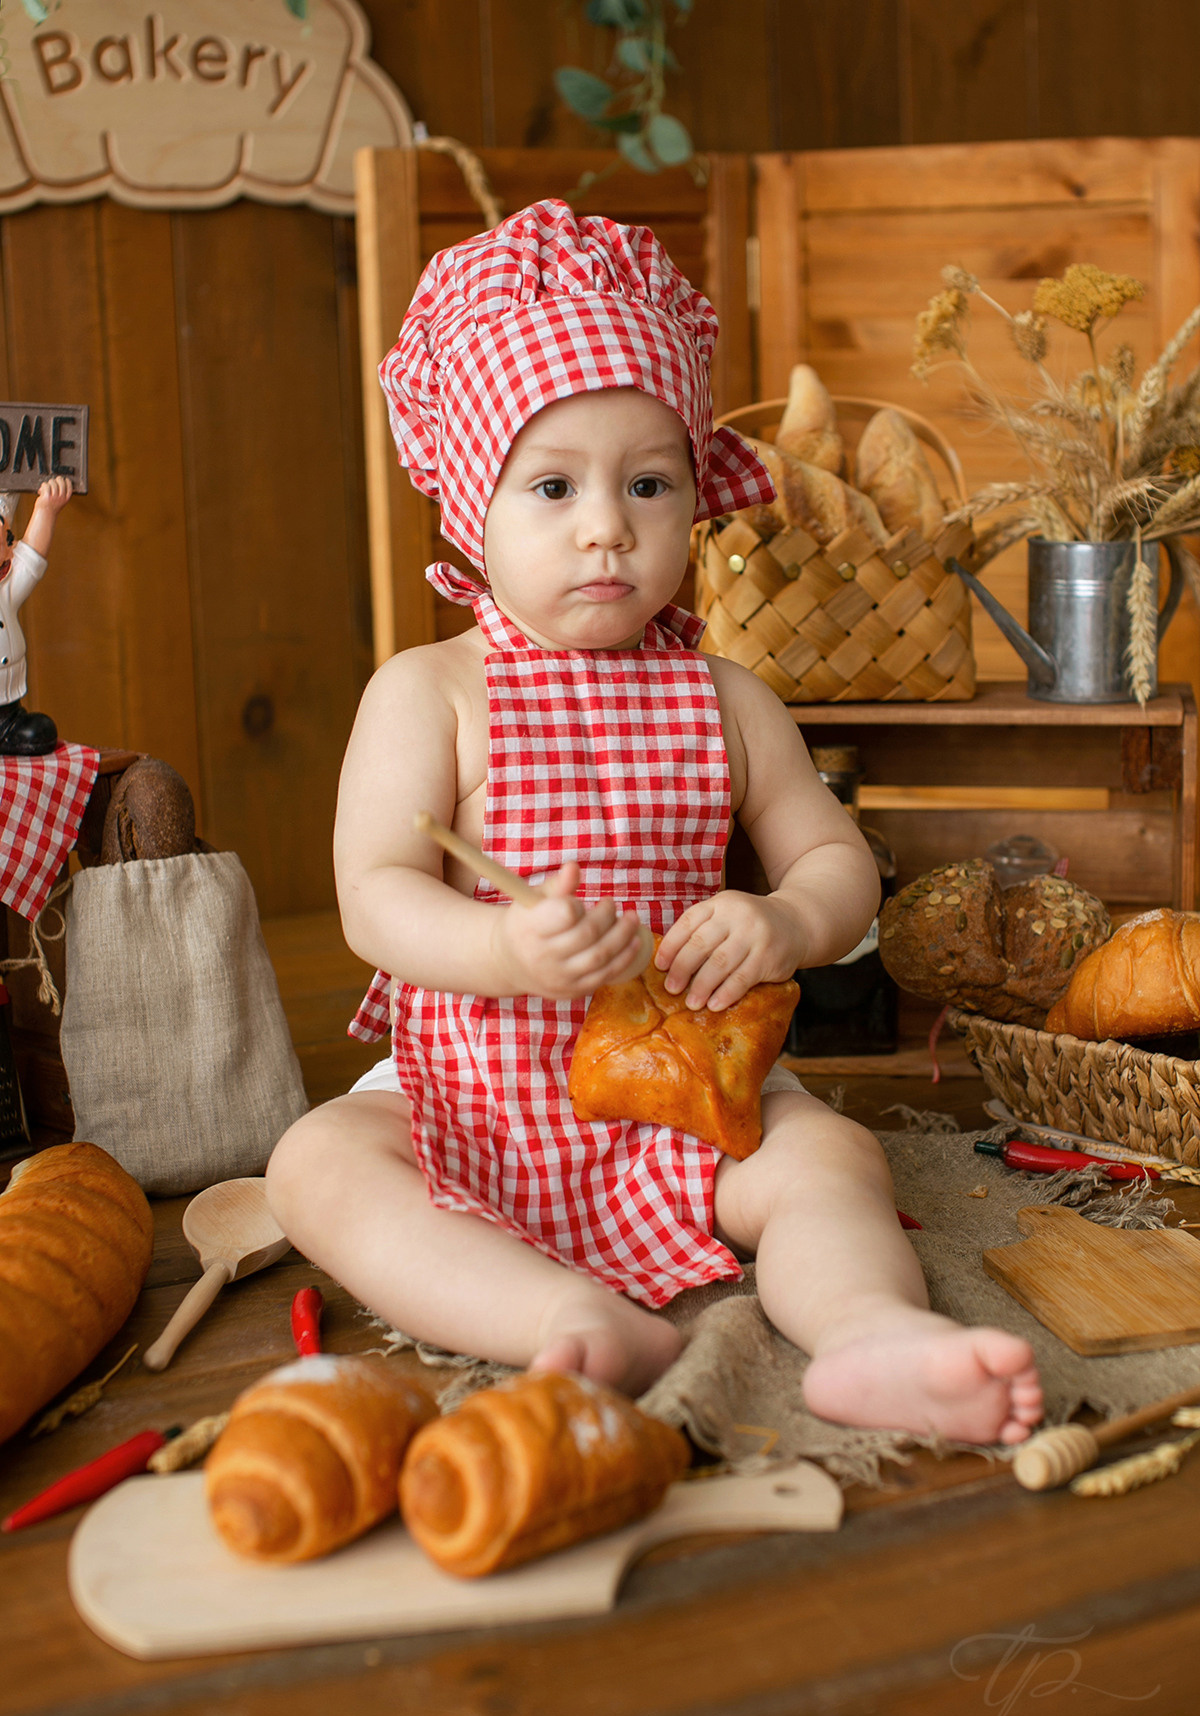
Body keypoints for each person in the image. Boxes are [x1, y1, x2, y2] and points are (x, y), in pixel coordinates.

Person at [267, 201, 1043, 1446]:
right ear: (472, 506)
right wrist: (502, 952)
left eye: (647, 483)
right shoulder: (430, 691)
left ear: (694, 498)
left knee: (829, 1161)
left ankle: (868, 1334)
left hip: (686, 1088)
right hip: (468, 1085)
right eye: (554, 486)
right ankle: (563, 1318)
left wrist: (784, 916)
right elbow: (374, 890)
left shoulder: (729, 698)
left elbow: (838, 860)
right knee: (315, 1165)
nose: (606, 526)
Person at [0, 476, 72, 757]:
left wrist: (45, 510)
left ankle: (7, 727)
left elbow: (31, 554)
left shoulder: (6, 588)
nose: (9, 547)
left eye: (8, 538)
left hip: (7, 710)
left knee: (40, 732)